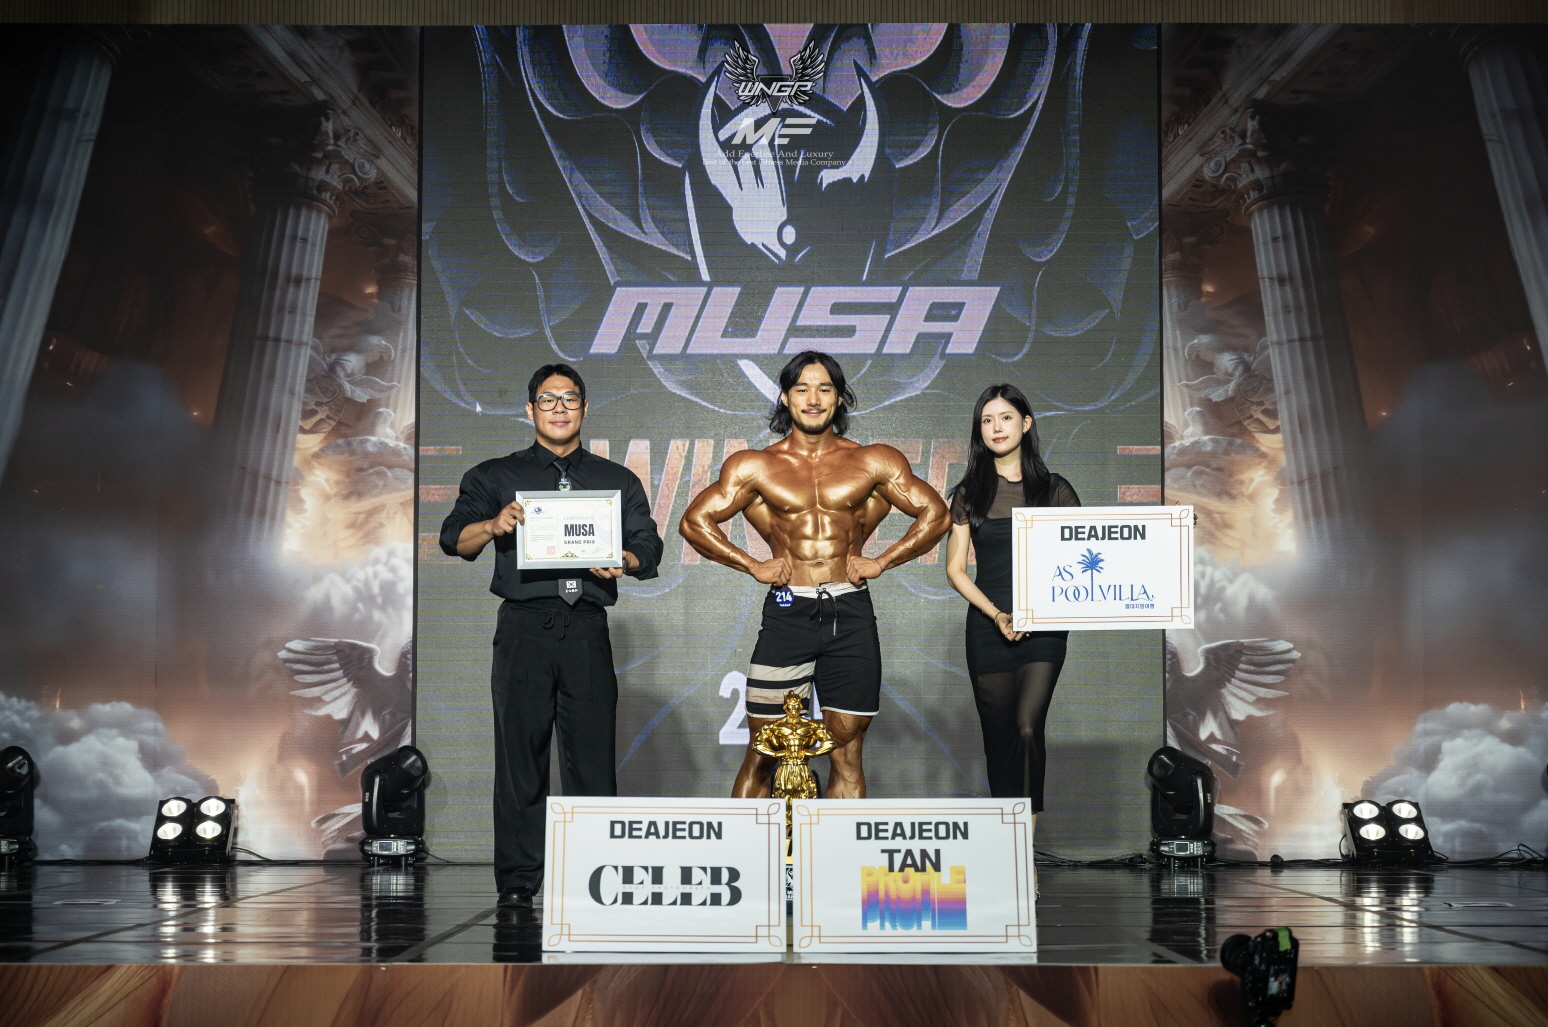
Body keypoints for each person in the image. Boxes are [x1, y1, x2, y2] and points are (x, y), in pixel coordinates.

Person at [438, 363, 663, 909]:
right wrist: (492, 525)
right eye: (547, 399)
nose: (559, 408)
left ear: (585, 408)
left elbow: (648, 544)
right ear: (530, 409)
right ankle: (518, 883)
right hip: (524, 627)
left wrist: (627, 559)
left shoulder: (617, 480)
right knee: (520, 759)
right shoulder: (494, 475)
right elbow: (453, 539)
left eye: (569, 399)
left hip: (586, 628)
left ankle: (595, 879)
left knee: (592, 760)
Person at [680, 350, 950, 799]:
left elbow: (936, 514)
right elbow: (694, 522)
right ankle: (748, 846)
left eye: (824, 389)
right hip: (789, 612)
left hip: (850, 612)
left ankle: (835, 847)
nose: (813, 399)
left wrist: (882, 561)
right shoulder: (755, 465)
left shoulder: (873, 460)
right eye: (802, 389)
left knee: (847, 751)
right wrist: (752, 564)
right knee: (764, 750)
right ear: (785, 398)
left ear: (839, 398)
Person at [944, 384, 1081, 815]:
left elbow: (1089, 555)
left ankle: (1025, 849)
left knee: (1026, 727)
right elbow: (955, 569)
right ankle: (1007, 840)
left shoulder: (1056, 491)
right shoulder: (968, 493)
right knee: (999, 737)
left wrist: (1169, 527)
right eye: (987, 420)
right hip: (989, 626)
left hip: (1044, 625)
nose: (996, 427)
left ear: (1026, 423)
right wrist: (997, 614)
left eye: (1005, 417)